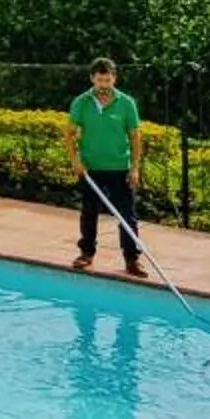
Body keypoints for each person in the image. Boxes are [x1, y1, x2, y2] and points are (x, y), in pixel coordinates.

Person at [68, 57, 147, 277]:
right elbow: (70, 134)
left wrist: (135, 167)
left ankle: (132, 259)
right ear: (92, 78)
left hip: (120, 167)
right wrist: (76, 160)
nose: (104, 84)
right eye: (100, 80)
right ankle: (86, 253)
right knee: (89, 211)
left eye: (108, 79)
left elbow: (135, 136)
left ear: (114, 78)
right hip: (91, 168)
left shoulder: (126, 103)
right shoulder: (81, 102)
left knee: (127, 215)